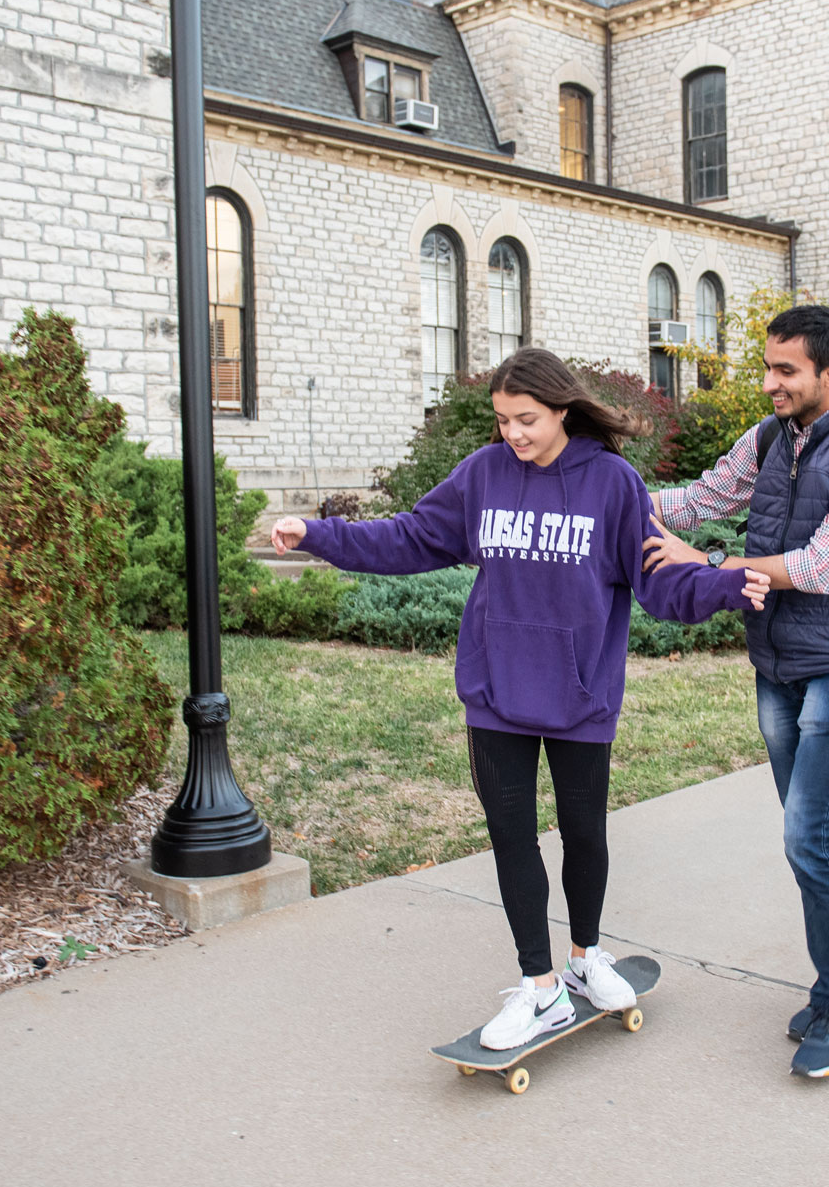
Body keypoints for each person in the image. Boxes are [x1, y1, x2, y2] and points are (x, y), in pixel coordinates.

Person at [270, 348, 768, 1051]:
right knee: (511, 837)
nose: (513, 434)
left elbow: (657, 581)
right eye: (503, 420)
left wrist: (724, 585)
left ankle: (587, 959)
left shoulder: (612, 484)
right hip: (496, 689)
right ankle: (540, 988)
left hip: (580, 691)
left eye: (526, 420)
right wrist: (319, 536)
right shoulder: (483, 474)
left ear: (563, 410)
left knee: (584, 832)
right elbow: (412, 537)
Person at [643, 305, 829, 1080]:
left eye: (786, 370)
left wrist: (715, 564)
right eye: (766, 367)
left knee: (806, 833)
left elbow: (824, 564)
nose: (769, 384)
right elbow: (697, 499)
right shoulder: (767, 439)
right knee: (809, 835)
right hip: (776, 663)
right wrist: (598, 487)